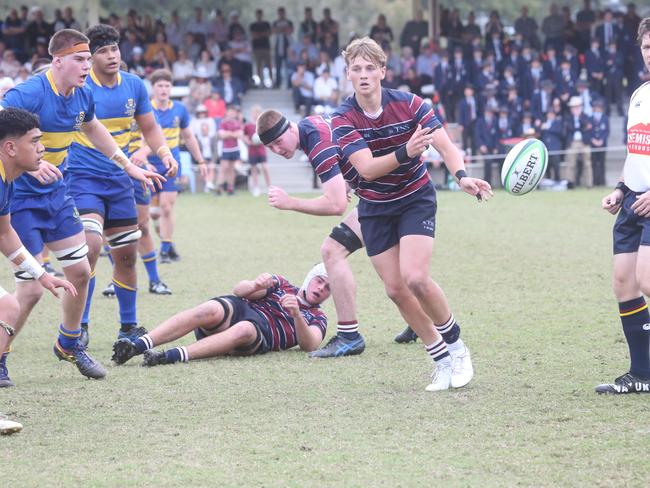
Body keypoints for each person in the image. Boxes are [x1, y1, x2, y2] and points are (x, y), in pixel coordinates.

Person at [330, 37, 492, 390]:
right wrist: (406, 150)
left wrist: (461, 176)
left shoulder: (410, 104)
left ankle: (458, 346)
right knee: (395, 290)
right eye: (356, 69)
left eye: (370, 68)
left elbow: (445, 145)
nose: (363, 75)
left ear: (383, 71)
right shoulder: (341, 118)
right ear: (347, 75)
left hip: (414, 198)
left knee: (415, 278)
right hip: (374, 206)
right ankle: (441, 359)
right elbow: (368, 170)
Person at [0, 29, 160, 380]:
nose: (87, 65)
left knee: (81, 265)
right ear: (57, 61)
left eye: (89, 58)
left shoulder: (83, 95)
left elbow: (93, 128)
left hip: (57, 194)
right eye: (80, 59)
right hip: (21, 198)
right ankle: (2, 356)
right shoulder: (29, 93)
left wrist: (128, 164)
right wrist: (32, 162)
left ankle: (69, 343)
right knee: (29, 289)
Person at [65, 25, 176, 346]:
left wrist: (164, 152)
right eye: (103, 51)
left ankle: (128, 327)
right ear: (89, 57)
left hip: (121, 181)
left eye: (115, 49)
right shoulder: (81, 88)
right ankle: (79, 326)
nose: (112, 56)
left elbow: (150, 127)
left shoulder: (134, 85)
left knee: (127, 253)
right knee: (90, 246)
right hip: (83, 179)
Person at [111, 264, 330, 366]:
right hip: (242, 309)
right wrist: (255, 284)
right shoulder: (282, 284)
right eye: (319, 280)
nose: (320, 288)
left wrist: (297, 315)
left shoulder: (318, 318)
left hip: (260, 333)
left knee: (245, 329)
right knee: (210, 309)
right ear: (310, 277)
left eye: (328, 287)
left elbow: (309, 345)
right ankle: (137, 346)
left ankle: (169, 357)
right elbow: (239, 291)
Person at [0, 108, 77, 390]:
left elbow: (5, 234)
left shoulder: (6, 181)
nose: (42, 148)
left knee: (8, 307)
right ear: (10, 147)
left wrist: (41, 274)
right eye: (34, 141)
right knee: (7, 307)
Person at [598, 18, 650, 394]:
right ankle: (643, 374)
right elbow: (637, 152)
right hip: (634, 198)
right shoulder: (639, 95)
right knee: (624, 282)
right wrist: (619, 188)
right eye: (647, 47)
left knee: (647, 279)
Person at [144, 69, 206, 263]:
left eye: (167, 86)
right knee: (153, 214)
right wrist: (144, 161)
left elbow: (188, 136)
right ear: (153, 88)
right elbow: (137, 139)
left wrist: (201, 160)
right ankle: (168, 243)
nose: (164, 89)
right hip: (149, 166)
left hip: (171, 163)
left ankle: (163, 249)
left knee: (167, 208)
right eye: (160, 86)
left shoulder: (180, 109)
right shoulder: (145, 108)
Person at [243, 105, 270, 196]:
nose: (256, 115)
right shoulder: (248, 125)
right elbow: (244, 136)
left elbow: (267, 136)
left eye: (258, 113)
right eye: (254, 113)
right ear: (251, 114)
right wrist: (249, 142)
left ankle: (269, 187)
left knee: (265, 168)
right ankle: (256, 188)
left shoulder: (262, 125)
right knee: (254, 169)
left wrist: (263, 141)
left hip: (261, 150)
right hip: (252, 150)